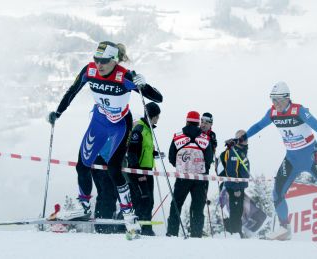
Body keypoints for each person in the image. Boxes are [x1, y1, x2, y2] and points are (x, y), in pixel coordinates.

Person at [48, 41, 162, 232]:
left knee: (114, 169)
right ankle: (83, 205)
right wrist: (57, 113)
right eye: (96, 59)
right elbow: (72, 91)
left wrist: (145, 84)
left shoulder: (124, 76)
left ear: (114, 61)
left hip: (120, 125)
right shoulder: (90, 70)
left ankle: (128, 212)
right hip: (99, 122)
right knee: (82, 165)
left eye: (104, 61)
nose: (99, 64)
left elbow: (158, 98)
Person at [239, 81, 317, 240]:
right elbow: (259, 126)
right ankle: (284, 229)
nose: (275, 104)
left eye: (278, 100)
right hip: (292, 159)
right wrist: (241, 138)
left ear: (287, 98)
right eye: (272, 99)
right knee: (277, 194)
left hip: (311, 158)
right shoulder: (272, 113)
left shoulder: (299, 110)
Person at [166, 111, 213, 238]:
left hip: (182, 176)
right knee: (197, 207)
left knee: (176, 204)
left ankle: (172, 232)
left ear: (186, 121)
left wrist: (180, 166)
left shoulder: (177, 136)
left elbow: (171, 157)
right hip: (200, 177)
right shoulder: (205, 138)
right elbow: (209, 159)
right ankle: (196, 234)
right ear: (198, 123)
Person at [127, 102, 161, 236]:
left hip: (148, 170)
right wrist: (138, 173)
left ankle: (145, 227)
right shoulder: (139, 129)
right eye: (157, 116)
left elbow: (144, 149)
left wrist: (154, 154)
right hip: (139, 171)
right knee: (142, 199)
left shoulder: (148, 129)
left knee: (149, 200)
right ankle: (139, 228)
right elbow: (132, 152)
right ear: (151, 116)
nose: (158, 119)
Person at [219, 130, 249, 238]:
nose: (245, 140)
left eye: (245, 137)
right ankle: (235, 232)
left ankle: (236, 231)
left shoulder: (241, 150)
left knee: (239, 210)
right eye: (241, 137)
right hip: (234, 186)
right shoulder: (234, 151)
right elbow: (232, 171)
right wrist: (236, 188)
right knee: (236, 210)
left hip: (239, 186)